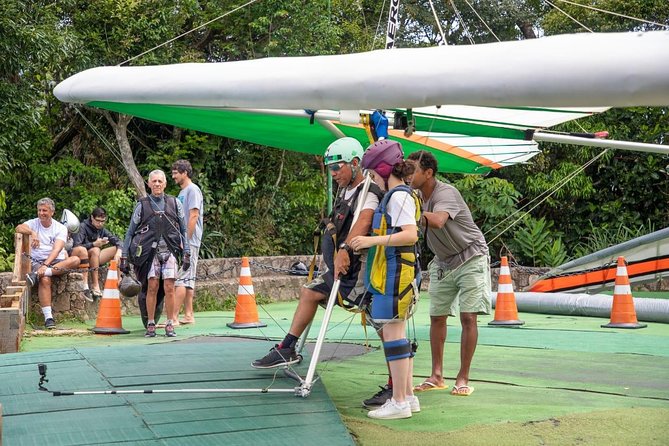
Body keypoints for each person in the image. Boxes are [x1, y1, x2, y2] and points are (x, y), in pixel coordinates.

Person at [251, 138, 385, 385]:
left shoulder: (369, 191)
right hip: (338, 269)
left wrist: (345, 248)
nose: (333, 173)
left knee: (382, 322)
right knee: (310, 292)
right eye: (331, 168)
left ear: (355, 163)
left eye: (338, 167)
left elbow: (364, 222)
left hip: (359, 272)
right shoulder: (344, 190)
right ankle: (287, 347)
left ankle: (396, 380)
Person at [407, 150, 491, 397]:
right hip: (443, 261)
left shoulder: (446, 192)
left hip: (471, 256)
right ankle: (436, 376)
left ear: (428, 173)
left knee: (468, 318)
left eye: (413, 170)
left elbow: (439, 221)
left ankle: (463, 378)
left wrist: (409, 213)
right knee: (437, 317)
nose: (408, 175)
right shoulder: (413, 195)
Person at [350, 140, 421, 419]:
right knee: (398, 335)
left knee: (392, 333)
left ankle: (400, 401)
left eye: (371, 172)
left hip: (396, 272)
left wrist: (370, 240)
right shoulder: (396, 194)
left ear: (379, 170)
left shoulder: (399, 196)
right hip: (392, 270)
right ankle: (409, 396)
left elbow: (410, 234)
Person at [120, 170, 190, 338]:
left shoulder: (174, 203)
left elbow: (183, 229)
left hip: (170, 252)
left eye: (160, 181)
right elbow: (130, 232)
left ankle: (170, 323)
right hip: (149, 254)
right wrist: (124, 257)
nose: (157, 184)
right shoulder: (142, 205)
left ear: (165, 184)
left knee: (169, 288)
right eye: (154, 181)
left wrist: (186, 251)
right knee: (151, 286)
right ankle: (151, 323)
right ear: (149, 184)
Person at [16, 198, 81, 329]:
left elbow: (57, 249)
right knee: (45, 279)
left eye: (44, 210)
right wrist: (32, 232)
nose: (41, 213)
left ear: (52, 212)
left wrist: (46, 265)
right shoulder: (34, 223)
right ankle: (48, 318)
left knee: (76, 260)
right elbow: (18, 227)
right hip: (37, 262)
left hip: (56, 261)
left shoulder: (60, 227)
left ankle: (38, 274)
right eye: (39, 210)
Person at [170, 160, 204, 325]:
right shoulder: (182, 192)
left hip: (190, 241)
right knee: (188, 278)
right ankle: (188, 315)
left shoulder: (193, 190)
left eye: (176, 172)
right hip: (184, 240)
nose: (173, 176)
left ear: (185, 173)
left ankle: (173, 317)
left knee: (182, 278)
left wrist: (186, 241)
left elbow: (194, 215)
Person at [72, 207, 123, 301]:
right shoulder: (82, 226)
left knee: (118, 249)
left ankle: (119, 283)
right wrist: (93, 244)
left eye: (102, 221)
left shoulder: (102, 229)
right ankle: (95, 286)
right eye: (98, 221)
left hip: (95, 259)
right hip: (81, 258)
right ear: (92, 217)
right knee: (95, 250)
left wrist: (119, 251)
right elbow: (77, 246)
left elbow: (118, 241)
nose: (100, 223)